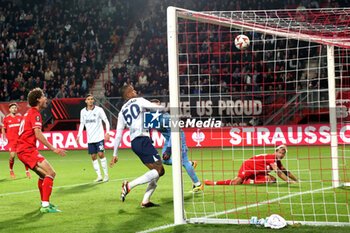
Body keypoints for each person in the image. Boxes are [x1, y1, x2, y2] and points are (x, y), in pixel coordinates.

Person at [110, 85, 166, 208]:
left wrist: (115, 154)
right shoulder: (139, 100)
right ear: (128, 95)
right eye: (132, 90)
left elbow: (118, 134)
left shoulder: (121, 112)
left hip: (135, 143)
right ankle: (129, 185)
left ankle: (146, 201)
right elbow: (155, 107)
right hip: (143, 140)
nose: (135, 91)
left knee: (156, 172)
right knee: (159, 170)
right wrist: (166, 107)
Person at [17, 88, 67, 213]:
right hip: (27, 150)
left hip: (23, 150)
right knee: (51, 173)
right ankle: (45, 206)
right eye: (44, 96)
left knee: (44, 175)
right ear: (38, 99)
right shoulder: (35, 114)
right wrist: (53, 148)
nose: (46, 99)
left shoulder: (29, 113)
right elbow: (38, 133)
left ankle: (45, 202)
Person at [150, 99, 203, 192]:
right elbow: (148, 127)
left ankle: (198, 184)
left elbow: (173, 133)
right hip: (168, 139)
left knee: (183, 160)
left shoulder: (166, 117)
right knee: (165, 160)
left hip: (178, 137)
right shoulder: (151, 117)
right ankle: (189, 164)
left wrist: (168, 150)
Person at [205, 145, 299, 185]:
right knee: (236, 183)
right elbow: (278, 172)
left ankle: (249, 180)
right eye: (280, 153)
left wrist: (296, 180)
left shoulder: (277, 161)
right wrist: (288, 181)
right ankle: (213, 182)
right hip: (248, 166)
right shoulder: (271, 158)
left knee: (272, 180)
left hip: (258, 170)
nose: (281, 155)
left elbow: (285, 171)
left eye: (283, 154)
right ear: (276, 152)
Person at [76, 94, 110, 182]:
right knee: (93, 156)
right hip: (90, 138)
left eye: (92, 99)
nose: (90, 100)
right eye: (88, 99)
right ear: (86, 101)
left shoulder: (99, 110)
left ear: (93, 101)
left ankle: (106, 175)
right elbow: (82, 124)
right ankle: (99, 176)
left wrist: (107, 133)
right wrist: (78, 135)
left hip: (99, 137)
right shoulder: (82, 111)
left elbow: (106, 121)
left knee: (101, 155)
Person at [2, 102, 32, 179]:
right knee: (12, 156)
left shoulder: (20, 118)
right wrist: (4, 136)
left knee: (24, 156)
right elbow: (3, 128)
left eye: (15, 108)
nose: (14, 109)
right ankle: (11, 170)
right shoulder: (6, 119)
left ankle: (27, 171)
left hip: (20, 140)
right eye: (12, 108)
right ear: (9, 109)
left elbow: (25, 126)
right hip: (11, 141)